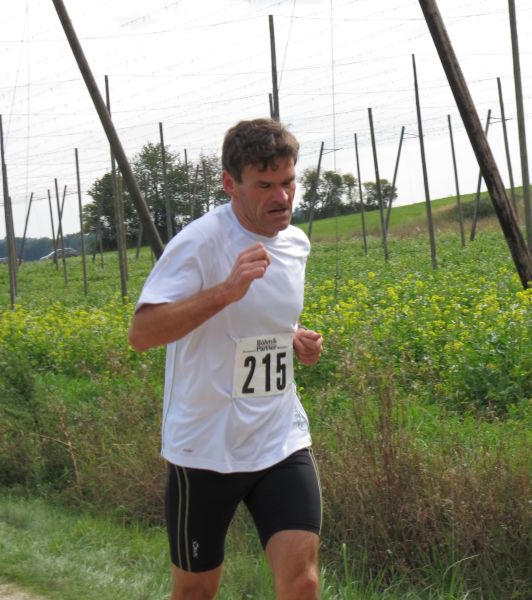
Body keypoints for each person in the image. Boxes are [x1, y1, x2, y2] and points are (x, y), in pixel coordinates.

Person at [129, 118, 324, 600]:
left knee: (302, 582)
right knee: (196, 591)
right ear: (229, 184)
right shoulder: (200, 242)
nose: (281, 197)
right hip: (206, 448)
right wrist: (224, 292)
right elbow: (142, 334)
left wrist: (296, 340)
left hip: (279, 439)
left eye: (288, 182)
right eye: (265, 186)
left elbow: (267, 321)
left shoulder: (296, 244)